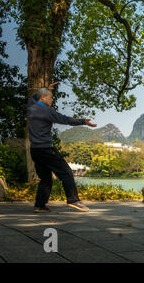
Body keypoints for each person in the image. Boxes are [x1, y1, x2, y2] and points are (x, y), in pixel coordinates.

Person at [27, 82, 97, 213]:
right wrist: (83, 121)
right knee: (66, 172)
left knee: (46, 178)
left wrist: (47, 89)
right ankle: (73, 200)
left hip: (35, 150)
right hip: (46, 149)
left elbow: (33, 97)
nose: (52, 99)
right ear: (43, 97)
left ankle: (40, 205)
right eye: (50, 97)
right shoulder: (46, 111)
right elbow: (65, 119)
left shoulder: (31, 107)